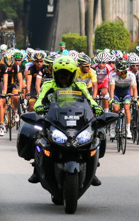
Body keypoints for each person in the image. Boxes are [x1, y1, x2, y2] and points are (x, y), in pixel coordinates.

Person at [30, 56, 103, 185]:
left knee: (98, 133)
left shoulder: (80, 85)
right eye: (61, 74)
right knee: (37, 134)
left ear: (73, 74)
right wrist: (39, 107)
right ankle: (37, 169)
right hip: (55, 120)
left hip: (77, 120)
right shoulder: (48, 85)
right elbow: (39, 101)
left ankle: (93, 168)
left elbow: (90, 100)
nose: (64, 77)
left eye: (67, 74)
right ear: (55, 74)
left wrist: (96, 107)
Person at [109, 59, 137, 139]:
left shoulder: (131, 76)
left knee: (127, 107)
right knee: (115, 108)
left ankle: (128, 130)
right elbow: (112, 88)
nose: (115, 71)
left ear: (123, 71)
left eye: (117, 70)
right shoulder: (113, 76)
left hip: (126, 93)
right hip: (116, 93)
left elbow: (134, 89)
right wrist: (111, 99)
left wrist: (135, 99)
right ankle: (112, 128)